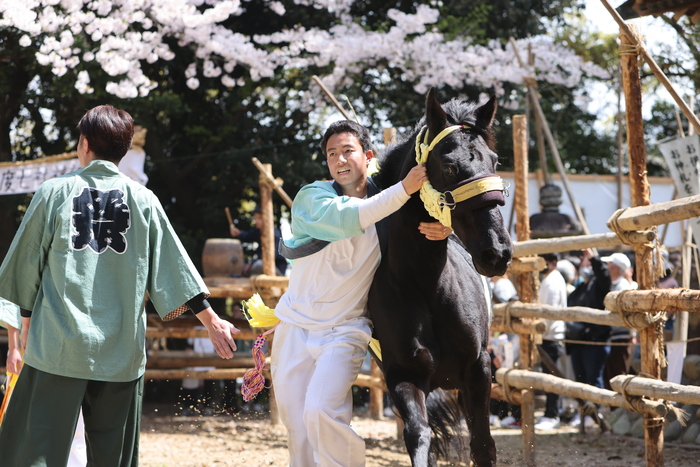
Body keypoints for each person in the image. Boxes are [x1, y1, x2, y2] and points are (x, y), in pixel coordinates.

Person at [0, 104, 239, 467]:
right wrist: (212, 321)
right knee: (113, 459)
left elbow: (24, 265)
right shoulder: (144, 200)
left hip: (57, 348)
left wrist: (27, 320)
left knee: (37, 453)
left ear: (83, 144)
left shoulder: (53, 193)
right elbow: (173, 268)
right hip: (120, 352)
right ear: (124, 150)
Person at [269, 119, 436, 467]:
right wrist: (404, 188)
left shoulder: (394, 206)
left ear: (369, 156)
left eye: (348, 151)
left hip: (345, 330)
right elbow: (351, 217)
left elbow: (429, 227)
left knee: (320, 411)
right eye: (332, 154)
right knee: (297, 429)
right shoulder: (311, 198)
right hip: (294, 327)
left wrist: (443, 227)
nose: (340, 160)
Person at [0, 299, 88, 466]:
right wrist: (13, 347)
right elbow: (12, 298)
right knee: (24, 417)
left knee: (76, 418)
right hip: (31, 348)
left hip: (72, 347)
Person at [535, 253, 567, 430]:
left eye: (545, 262)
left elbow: (550, 313)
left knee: (552, 377)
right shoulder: (549, 279)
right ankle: (551, 413)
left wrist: (538, 329)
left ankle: (552, 414)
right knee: (549, 376)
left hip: (550, 335)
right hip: (547, 335)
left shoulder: (553, 281)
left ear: (553, 263)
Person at [601, 252, 636, 391]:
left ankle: (620, 407)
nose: (608, 267)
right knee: (611, 370)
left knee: (618, 370)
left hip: (621, 334)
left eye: (610, 264)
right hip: (615, 334)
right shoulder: (616, 284)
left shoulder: (622, 286)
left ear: (616, 268)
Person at [230, 205, 288, 276]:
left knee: (259, 265)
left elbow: (269, 256)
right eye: (255, 218)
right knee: (242, 266)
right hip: (261, 264)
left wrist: (251, 262)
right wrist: (239, 233)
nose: (256, 221)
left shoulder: (274, 234)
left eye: (259, 218)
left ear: (267, 218)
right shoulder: (259, 230)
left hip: (276, 270)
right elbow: (248, 236)